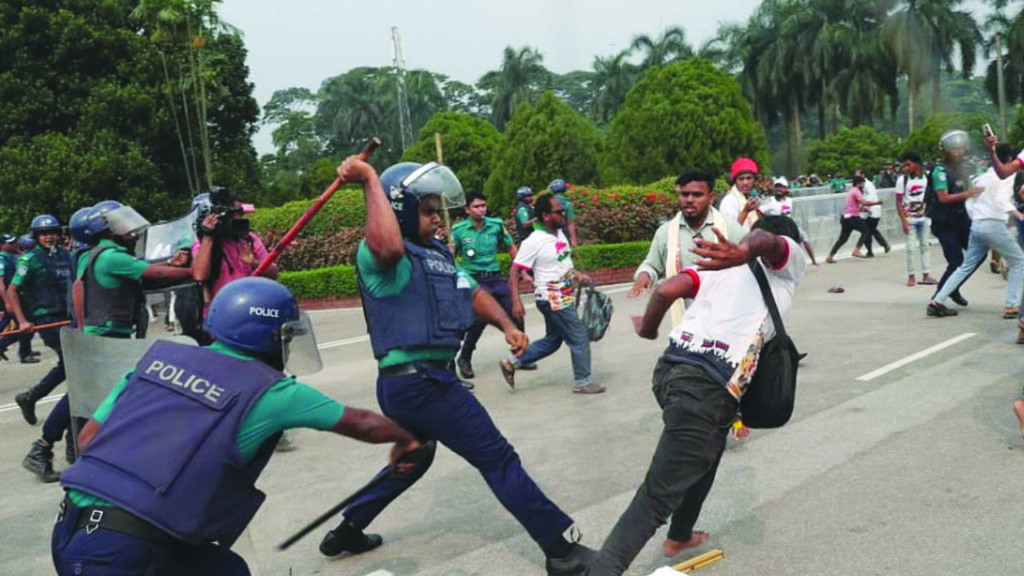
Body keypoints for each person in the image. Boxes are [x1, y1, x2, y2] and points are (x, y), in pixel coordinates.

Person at [319, 158, 595, 576]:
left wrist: (506, 325)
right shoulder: (379, 255)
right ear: (400, 211)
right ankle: (561, 551)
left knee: (417, 456)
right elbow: (389, 245)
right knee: (498, 458)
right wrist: (371, 180)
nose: (438, 220)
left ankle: (347, 530)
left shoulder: (434, 255)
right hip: (420, 383)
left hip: (420, 383)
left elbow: (470, 291)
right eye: (428, 212)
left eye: (437, 211)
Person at [52, 276, 420, 575]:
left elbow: (88, 439)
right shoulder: (271, 390)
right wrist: (405, 439)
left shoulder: (155, 363)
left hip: (73, 529)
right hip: (118, 553)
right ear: (273, 338)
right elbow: (364, 424)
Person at [587, 216, 806, 576]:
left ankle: (680, 535)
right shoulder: (787, 264)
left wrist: (648, 328)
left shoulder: (718, 270)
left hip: (670, 372)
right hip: (705, 389)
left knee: (709, 447)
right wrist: (749, 247)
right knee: (656, 496)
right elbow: (768, 239)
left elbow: (665, 290)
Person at [502, 194, 604, 394]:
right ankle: (583, 381)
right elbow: (514, 271)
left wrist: (578, 275)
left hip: (561, 294)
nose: (563, 214)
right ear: (546, 216)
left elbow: (563, 263)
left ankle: (511, 362)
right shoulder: (535, 240)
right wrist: (516, 301)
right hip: (552, 296)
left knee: (553, 341)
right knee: (579, 335)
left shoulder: (559, 235)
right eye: (559, 211)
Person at [9, 214, 74, 482]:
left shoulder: (63, 255)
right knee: (78, 377)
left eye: (53, 232)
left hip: (68, 318)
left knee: (69, 370)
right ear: (35, 236)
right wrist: (22, 320)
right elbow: (12, 290)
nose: (49, 236)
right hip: (49, 320)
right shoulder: (29, 259)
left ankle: (32, 397)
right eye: (44, 233)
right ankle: (49, 447)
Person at [926, 144, 1024, 319]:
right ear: (1010, 160)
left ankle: (938, 301)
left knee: (965, 266)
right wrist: (1016, 214)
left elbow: (970, 203)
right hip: (994, 223)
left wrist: (977, 217)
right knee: (1019, 261)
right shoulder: (1007, 177)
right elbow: (1002, 199)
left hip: (977, 224)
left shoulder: (982, 177)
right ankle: (1011, 305)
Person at [628, 170, 747, 309]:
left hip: (725, 314)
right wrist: (644, 276)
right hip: (684, 319)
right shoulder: (665, 232)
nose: (689, 200)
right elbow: (652, 265)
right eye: (685, 194)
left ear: (711, 197)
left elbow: (751, 263)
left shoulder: (730, 229)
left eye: (697, 195)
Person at [74, 201, 193, 337]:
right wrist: (192, 271)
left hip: (102, 328)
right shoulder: (113, 257)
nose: (128, 227)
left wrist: (170, 263)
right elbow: (155, 273)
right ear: (108, 230)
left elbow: (141, 266)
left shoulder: (94, 254)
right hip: (107, 332)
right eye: (121, 223)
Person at [190, 188, 278, 337]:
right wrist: (209, 237)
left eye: (239, 214)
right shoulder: (204, 245)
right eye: (233, 215)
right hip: (221, 319)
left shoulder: (248, 239)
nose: (238, 219)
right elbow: (199, 275)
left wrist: (254, 262)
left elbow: (274, 273)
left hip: (253, 313)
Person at [453, 191, 522, 380]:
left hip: (495, 278)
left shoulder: (496, 226)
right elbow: (451, 255)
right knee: (478, 321)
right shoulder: (459, 230)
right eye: (476, 206)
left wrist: (520, 267)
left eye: (483, 205)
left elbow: (510, 247)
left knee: (516, 313)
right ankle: (464, 358)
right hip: (474, 280)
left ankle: (519, 355)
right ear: (467, 209)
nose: (481, 209)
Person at [928, 130, 979, 308]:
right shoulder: (940, 171)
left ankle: (953, 287)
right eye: (954, 149)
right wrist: (968, 193)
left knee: (978, 254)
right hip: (945, 222)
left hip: (962, 219)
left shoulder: (963, 171)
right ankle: (938, 298)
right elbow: (943, 198)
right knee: (956, 261)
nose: (959, 153)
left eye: (961, 149)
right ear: (946, 151)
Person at [895, 152, 939, 287]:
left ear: (917, 164)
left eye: (908, 164)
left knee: (925, 246)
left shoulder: (926, 178)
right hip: (910, 218)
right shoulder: (903, 180)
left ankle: (926, 274)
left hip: (924, 216)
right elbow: (898, 201)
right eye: (904, 165)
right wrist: (903, 221)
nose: (906, 168)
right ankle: (911, 275)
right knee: (910, 248)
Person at [759, 177, 819, 265]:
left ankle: (813, 260)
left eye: (781, 187)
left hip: (789, 226)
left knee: (804, 237)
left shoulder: (790, 200)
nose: (779, 189)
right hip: (776, 228)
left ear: (786, 189)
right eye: (777, 187)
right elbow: (760, 211)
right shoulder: (770, 200)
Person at [825, 174, 878, 263]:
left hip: (845, 217)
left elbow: (855, 206)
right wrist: (876, 203)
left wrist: (865, 210)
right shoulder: (856, 191)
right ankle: (857, 249)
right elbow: (864, 202)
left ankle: (830, 256)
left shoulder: (851, 192)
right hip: (852, 217)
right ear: (859, 184)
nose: (863, 186)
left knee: (843, 238)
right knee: (865, 230)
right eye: (862, 184)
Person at [853, 169, 891, 257]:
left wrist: (864, 205)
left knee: (867, 230)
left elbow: (871, 196)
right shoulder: (859, 185)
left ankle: (872, 250)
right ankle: (881, 245)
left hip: (873, 210)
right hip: (866, 211)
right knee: (870, 230)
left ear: (863, 175)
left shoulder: (868, 184)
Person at [718, 158, 760, 229]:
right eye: (741, 179)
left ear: (754, 180)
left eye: (749, 178)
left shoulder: (748, 198)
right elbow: (730, 231)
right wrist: (745, 212)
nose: (745, 183)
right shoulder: (730, 200)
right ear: (735, 181)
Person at [548, 178, 579, 246]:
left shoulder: (548, 202)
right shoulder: (567, 204)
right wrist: (573, 240)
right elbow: (570, 223)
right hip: (563, 234)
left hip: (549, 234)